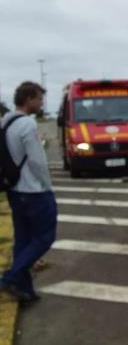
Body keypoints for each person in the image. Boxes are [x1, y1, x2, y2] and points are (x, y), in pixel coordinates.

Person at [0, 82, 56, 304]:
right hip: (34, 191)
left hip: (14, 190)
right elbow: (37, 161)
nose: (41, 103)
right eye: (39, 99)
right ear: (29, 99)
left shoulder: (5, 122)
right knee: (45, 237)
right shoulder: (27, 125)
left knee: (23, 241)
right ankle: (10, 278)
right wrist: (47, 186)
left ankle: (25, 291)